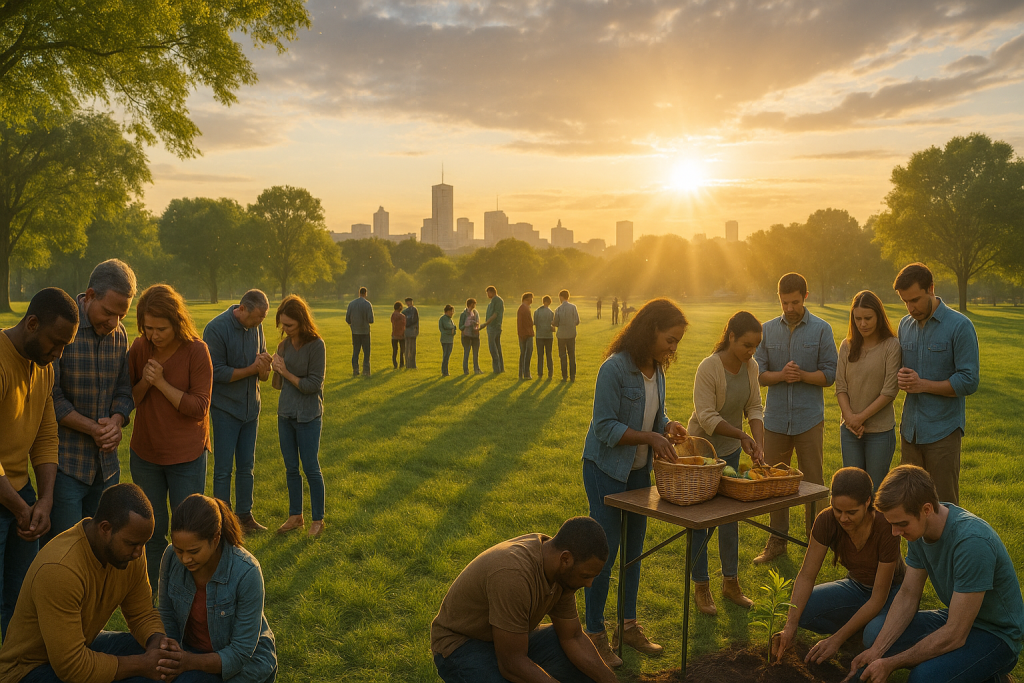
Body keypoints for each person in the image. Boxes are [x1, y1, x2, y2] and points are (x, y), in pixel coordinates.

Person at [581, 298, 689, 667]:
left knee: (635, 554)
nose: (673, 348)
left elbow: (653, 416)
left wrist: (667, 426)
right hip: (606, 471)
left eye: (677, 342)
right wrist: (650, 437)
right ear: (650, 330)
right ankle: (593, 633)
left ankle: (627, 626)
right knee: (603, 555)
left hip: (639, 474)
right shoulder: (614, 369)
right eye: (670, 340)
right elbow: (605, 427)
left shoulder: (656, 370)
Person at [850, 465, 1023, 683]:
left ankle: (992, 675)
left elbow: (955, 634)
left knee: (924, 678)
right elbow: (908, 595)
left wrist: (892, 662)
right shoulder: (919, 532)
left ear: (927, 509)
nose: (896, 533)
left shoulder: (972, 543)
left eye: (901, 524)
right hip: (956, 617)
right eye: (892, 524)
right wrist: (877, 651)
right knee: (874, 634)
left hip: (997, 634)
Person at [0, 483, 180, 683]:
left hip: (82, 648)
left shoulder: (130, 550)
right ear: (105, 528)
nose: (138, 553)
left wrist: (157, 642)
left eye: (143, 544)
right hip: (28, 671)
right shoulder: (60, 568)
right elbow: (72, 667)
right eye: (132, 544)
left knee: (165, 661)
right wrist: (142, 665)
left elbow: (142, 613)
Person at [430, 516, 618, 683]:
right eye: (585, 576)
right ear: (565, 559)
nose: (589, 584)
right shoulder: (513, 575)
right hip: (461, 645)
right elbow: (511, 664)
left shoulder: (558, 568)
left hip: (507, 639)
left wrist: (610, 680)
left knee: (580, 662)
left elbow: (573, 637)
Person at [0, 287, 78, 636]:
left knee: (20, 603)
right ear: (31, 323)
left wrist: (44, 499)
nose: (58, 354)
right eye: (55, 343)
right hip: (11, 498)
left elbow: (46, 437)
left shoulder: (43, 366)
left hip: (21, 496)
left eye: (65, 346)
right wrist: (21, 508)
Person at [773, 468, 906, 666]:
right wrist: (790, 626)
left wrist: (836, 639)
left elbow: (878, 598)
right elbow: (807, 575)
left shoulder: (885, 525)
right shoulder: (826, 520)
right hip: (856, 585)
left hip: (892, 592)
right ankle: (857, 634)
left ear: (868, 502)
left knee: (874, 634)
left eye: (851, 512)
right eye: (838, 510)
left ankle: (864, 634)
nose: (843, 518)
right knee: (801, 608)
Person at [129, 284, 213, 593]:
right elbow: (131, 398)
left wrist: (161, 382)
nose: (153, 335)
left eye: (160, 328)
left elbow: (199, 407)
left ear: (176, 321)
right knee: (151, 530)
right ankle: (154, 597)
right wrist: (146, 383)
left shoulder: (196, 350)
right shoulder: (140, 348)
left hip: (187, 456)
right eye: (148, 328)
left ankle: (188, 594)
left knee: (188, 532)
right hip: (146, 454)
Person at [46, 261, 135, 545]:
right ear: (90, 295)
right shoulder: (62, 327)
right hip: (66, 466)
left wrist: (117, 420)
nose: (113, 323)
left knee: (102, 548)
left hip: (107, 468)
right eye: (108, 312)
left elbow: (124, 389)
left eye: (121, 315)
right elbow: (52, 395)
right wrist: (92, 428)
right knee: (66, 548)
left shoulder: (119, 335)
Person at [752, 272, 838, 565]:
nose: (789, 308)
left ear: (806, 297)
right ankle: (778, 541)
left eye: (795, 302)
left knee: (813, 482)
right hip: (774, 419)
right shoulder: (766, 331)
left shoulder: (822, 330)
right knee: (776, 481)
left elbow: (830, 374)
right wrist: (782, 375)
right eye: (784, 302)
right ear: (779, 298)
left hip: (809, 419)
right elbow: (759, 375)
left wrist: (801, 375)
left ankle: (818, 542)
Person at [685, 311, 766, 615]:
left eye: (756, 346)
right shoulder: (709, 367)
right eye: (747, 344)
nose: (751, 351)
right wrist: (742, 434)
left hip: (731, 450)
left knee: (730, 517)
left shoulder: (751, 366)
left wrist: (758, 444)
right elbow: (706, 417)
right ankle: (701, 586)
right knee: (702, 520)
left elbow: (755, 407)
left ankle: (730, 583)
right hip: (701, 453)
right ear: (731, 336)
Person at [158, 494, 277, 683]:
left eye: (194, 551)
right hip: (189, 653)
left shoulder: (247, 572)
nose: (185, 559)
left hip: (244, 666)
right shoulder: (171, 556)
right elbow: (166, 611)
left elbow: (240, 652)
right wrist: (173, 655)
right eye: (180, 550)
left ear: (215, 538)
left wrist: (187, 662)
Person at [893, 263, 979, 505]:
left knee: (944, 506)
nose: (911, 308)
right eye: (905, 302)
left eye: (916, 300)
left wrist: (923, 385)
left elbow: (969, 381)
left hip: (943, 431)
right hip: (910, 431)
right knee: (909, 504)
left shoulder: (960, 326)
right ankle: (916, 546)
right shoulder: (904, 325)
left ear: (931, 288)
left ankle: (948, 545)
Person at [203, 290, 272, 535]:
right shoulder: (216, 329)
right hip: (225, 410)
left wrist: (264, 368)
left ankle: (245, 516)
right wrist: (253, 368)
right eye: (257, 318)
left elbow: (261, 366)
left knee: (247, 467)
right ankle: (222, 519)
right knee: (223, 469)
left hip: (251, 408)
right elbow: (216, 373)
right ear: (242, 309)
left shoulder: (256, 326)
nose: (259, 324)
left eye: (262, 319)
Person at [271, 296, 326, 537]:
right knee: (291, 468)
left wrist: (287, 372)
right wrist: (272, 367)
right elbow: (277, 385)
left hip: (308, 416)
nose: (285, 329)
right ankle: (296, 516)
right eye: (282, 325)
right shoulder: (283, 346)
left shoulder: (316, 345)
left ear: (302, 322)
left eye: (290, 326)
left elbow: (313, 384)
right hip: (285, 414)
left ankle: (318, 519)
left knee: (311, 468)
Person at [836, 291, 901, 492]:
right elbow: (841, 387)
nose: (862, 324)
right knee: (852, 490)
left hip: (880, 432)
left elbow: (889, 391)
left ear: (879, 317)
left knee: (876, 491)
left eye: (868, 318)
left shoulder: (891, 346)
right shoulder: (847, 346)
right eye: (858, 319)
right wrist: (849, 418)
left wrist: (860, 418)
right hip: (849, 430)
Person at [552, 289, 580, 382]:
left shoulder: (558, 309)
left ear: (561, 297)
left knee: (563, 356)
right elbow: (577, 321)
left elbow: (555, 323)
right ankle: (573, 376)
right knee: (572, 355)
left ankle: (564, 376)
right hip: (571, 334)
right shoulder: (573, 307)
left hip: (561, 335)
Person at [345, 287, 373, 378]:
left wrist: (352, 323)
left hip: (355, 331)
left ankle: (355, 370)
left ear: (359, 293)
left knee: (356, 351)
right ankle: (366, 371)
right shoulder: (367, 304)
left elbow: (347, 319)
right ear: (365, 293)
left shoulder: (351, 304)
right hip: (365, 331)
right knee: (366, 352)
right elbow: (371, 319)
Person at [482, 286, 504, 373]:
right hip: (494, 327)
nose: (487, 295)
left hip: (493, 327)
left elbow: (495, 314)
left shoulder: (496, 300)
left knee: (493, 348)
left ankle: (497, 369)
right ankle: (500, 368)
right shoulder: (493, 301)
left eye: (488, 293)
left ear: (491, 292)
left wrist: (486, 323)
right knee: (497, 347)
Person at [534, 295, 555, 380]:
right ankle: (550, 372)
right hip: (549, 336)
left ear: (543, 301)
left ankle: (540, 373)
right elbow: (553, 324)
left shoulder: (537, 311)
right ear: (549, 302)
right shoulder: (551, 312)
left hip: (539, 335)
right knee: (549, 354)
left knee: (540, 355)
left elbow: (535, 322)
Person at [459, 299, 482, 376]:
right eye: (473, 304)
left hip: (475, 336)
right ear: (469, 304)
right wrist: (466, 325)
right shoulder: (463, 314)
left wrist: (475, 323)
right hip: (466, 336)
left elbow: (478, 322)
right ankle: (466, 370)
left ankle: (476, 369)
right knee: (466, 353)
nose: (474, 306)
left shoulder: (476, 313)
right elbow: (460, 326)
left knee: (476, 354)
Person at [517, 292, 534, 380]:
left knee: (523, 353)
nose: (532, 300)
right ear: (526, 299)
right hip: (527, 333)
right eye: (531, 298)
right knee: (527, 353)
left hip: (523, 333)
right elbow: (525, 323)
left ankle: (521, 373)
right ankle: (526, 373)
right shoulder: (524, 309)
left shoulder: (523, 308)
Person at [439, 305, 457, 377]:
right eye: (451, 311)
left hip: (450, 340)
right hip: (445, 340)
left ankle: (445, 370)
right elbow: (445, 329)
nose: (452, 313)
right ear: (446, 311)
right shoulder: (443, 319)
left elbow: (454, 330)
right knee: (445, 356)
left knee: (448, 356)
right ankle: (444, 371)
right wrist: (452, 330)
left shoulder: (450, 320)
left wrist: (453, 330)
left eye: (452, 311)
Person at [403, 297, 419, 370]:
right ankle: (409, 364)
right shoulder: (406, 311)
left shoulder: (412, 310)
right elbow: (414, 321)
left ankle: (411, 364)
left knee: (412, 349)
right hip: (410, 331)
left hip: (411, 331)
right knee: (409, 348)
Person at [390, 302, 406, 370]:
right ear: (400, 307)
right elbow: (404, 325)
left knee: (394, 350)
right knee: (402, 350)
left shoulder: (393, 315)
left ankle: (395, 363)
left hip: (394, 335)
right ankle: (401, 364)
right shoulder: (402, 316)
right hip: (401, 335)